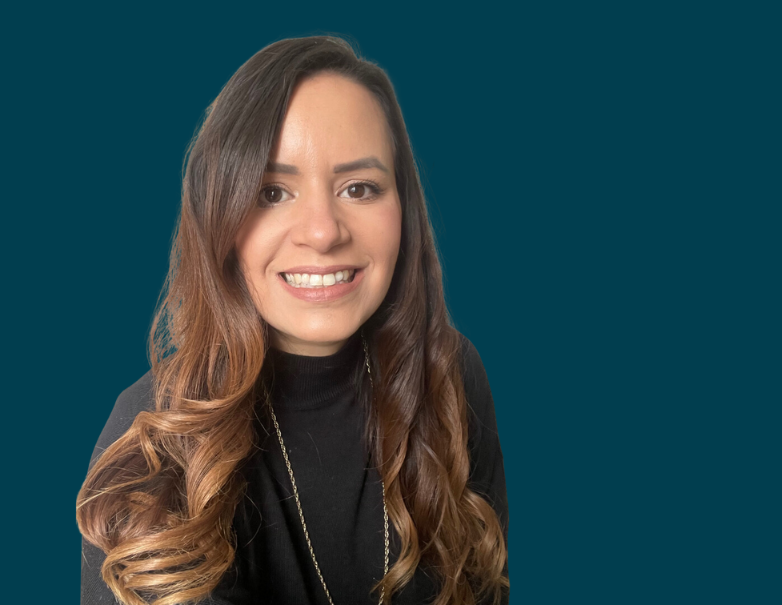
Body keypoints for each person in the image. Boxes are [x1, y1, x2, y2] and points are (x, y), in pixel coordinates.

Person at [76, 36, 509, 605]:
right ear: (220, 217)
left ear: (403, 209)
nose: (324, 231)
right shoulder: (153, 439)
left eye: (360, 188)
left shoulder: (450, 373)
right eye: (273, 191)